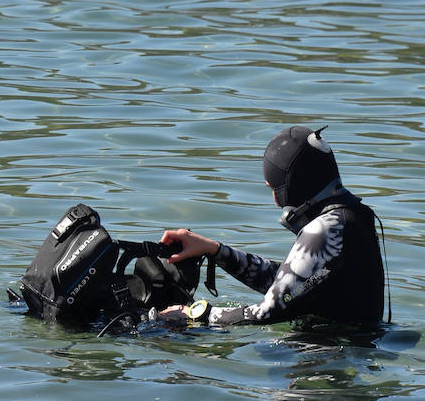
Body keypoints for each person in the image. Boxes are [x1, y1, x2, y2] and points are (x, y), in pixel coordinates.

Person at [158, 125, 386, 327]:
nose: (277, 202)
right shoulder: (351, 216)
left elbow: (267, 313)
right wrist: (215, 250)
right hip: (349, 357)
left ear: (294, 184)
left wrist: (195, 314)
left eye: (275, 189)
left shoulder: (324, 229)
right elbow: (292, 283)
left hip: (325, 364)